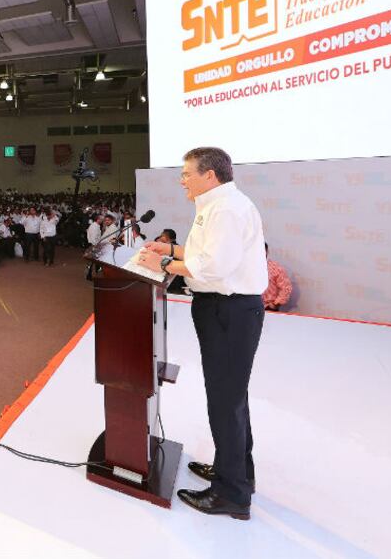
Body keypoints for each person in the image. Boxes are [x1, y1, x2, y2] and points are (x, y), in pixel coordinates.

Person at [138, 146, 266, 520]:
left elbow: (212, 268)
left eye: (186, 174)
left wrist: (163, 262)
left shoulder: (225, 209)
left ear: (209, 175)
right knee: (231, 398)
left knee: (225, 401)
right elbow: (203, 253)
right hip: (225, 310)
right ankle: (236, 471)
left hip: (228, 310)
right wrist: (172, 248)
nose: (181, 180)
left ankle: (232, 494)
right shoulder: (216, 205)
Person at [262, 244, 292, 311]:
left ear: (267, 251)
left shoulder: (275, 268)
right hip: (250, 307)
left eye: (262, 250)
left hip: (268, 308)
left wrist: (276, 303)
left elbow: (286, 287)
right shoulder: (248, 268)